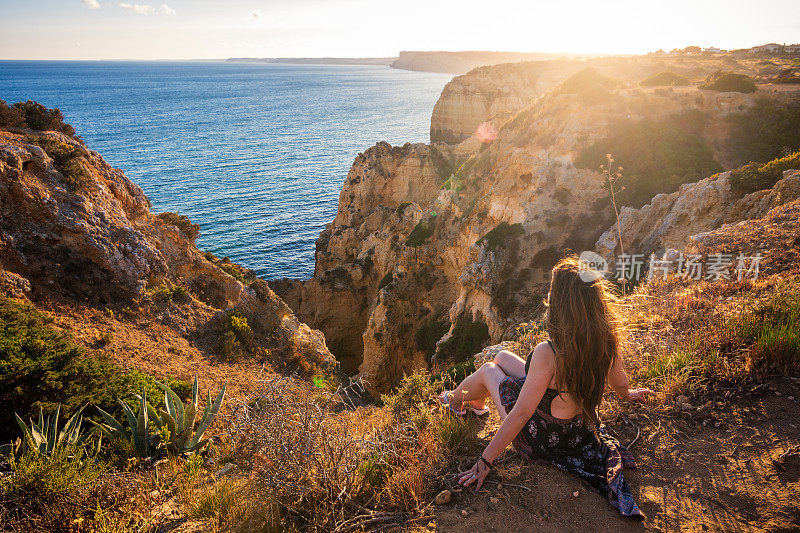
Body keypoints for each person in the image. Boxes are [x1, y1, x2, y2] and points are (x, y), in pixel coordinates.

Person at [438, 256, 652, 518]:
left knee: (489, 370)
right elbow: (619, 382)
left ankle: (452, 400)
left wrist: (485, 461)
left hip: (542, 436)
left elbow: (521, 414)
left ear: (560, 302)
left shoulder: (548, 352)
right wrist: (628, 395)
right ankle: (473, 403)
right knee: (503, 356)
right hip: (578, 429)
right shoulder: (606, 338)